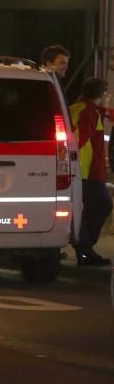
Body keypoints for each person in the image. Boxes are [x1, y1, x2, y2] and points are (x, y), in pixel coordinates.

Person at [69, 77, 113, 266]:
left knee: (86, 210)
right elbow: (78, 141)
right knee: (102, 206)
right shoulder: (88, 113)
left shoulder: (78, 108)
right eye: (107, 93)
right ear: (101, 94)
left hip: (83, 172)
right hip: (87, 172)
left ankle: (84, 248)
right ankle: (85, 248)